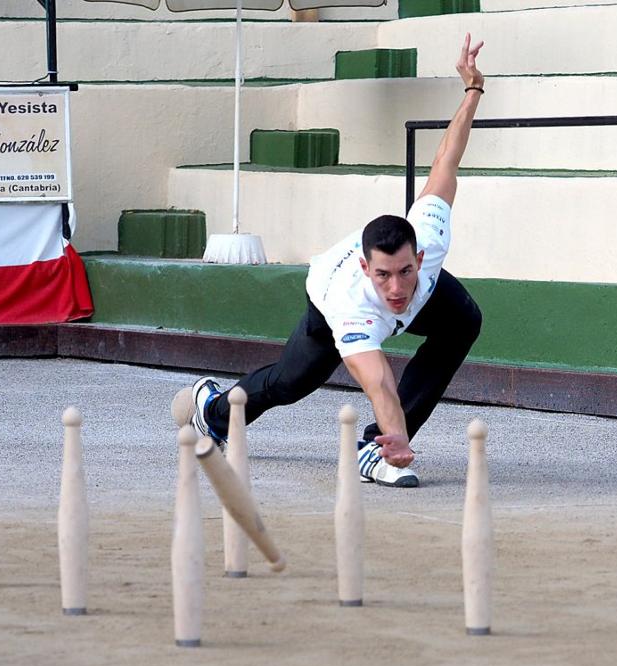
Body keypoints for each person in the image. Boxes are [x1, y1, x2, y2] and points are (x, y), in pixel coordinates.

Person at [190, 34, 487, 488]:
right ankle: (213, 408)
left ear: (420, 257)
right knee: (292, 384)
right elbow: (380, 384)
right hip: (324, 295)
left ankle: (375, 449)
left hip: (408, 279)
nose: (396, 289)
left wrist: (472, 89)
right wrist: (400, 433)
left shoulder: (428, 234)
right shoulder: (354, 307)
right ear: (368, 270)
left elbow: (447, 157)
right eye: (384, 275)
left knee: (463, 319)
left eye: (406, 272)